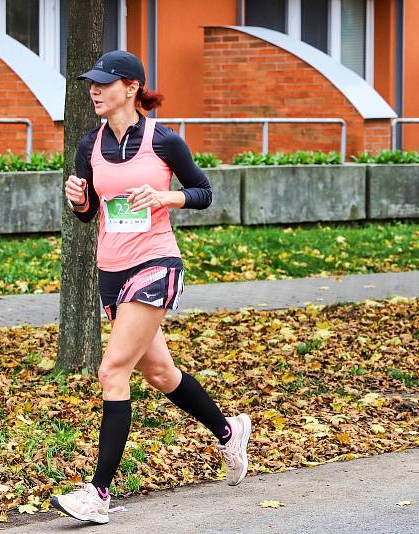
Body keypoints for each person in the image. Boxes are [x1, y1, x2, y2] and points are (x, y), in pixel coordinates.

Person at [50, 50, 252, 525]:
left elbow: (203, 192)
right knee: (161, 374)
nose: (95, 90)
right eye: (92, 84)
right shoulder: (88, 145)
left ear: (132, 88)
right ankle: (229, 432)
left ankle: (97, 493)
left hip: (156, 263)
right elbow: (90, 212)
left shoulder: (164, 141)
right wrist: (79, 201)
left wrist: (165, 196)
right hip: (111, 270)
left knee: (112, 370)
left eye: (104, 83)